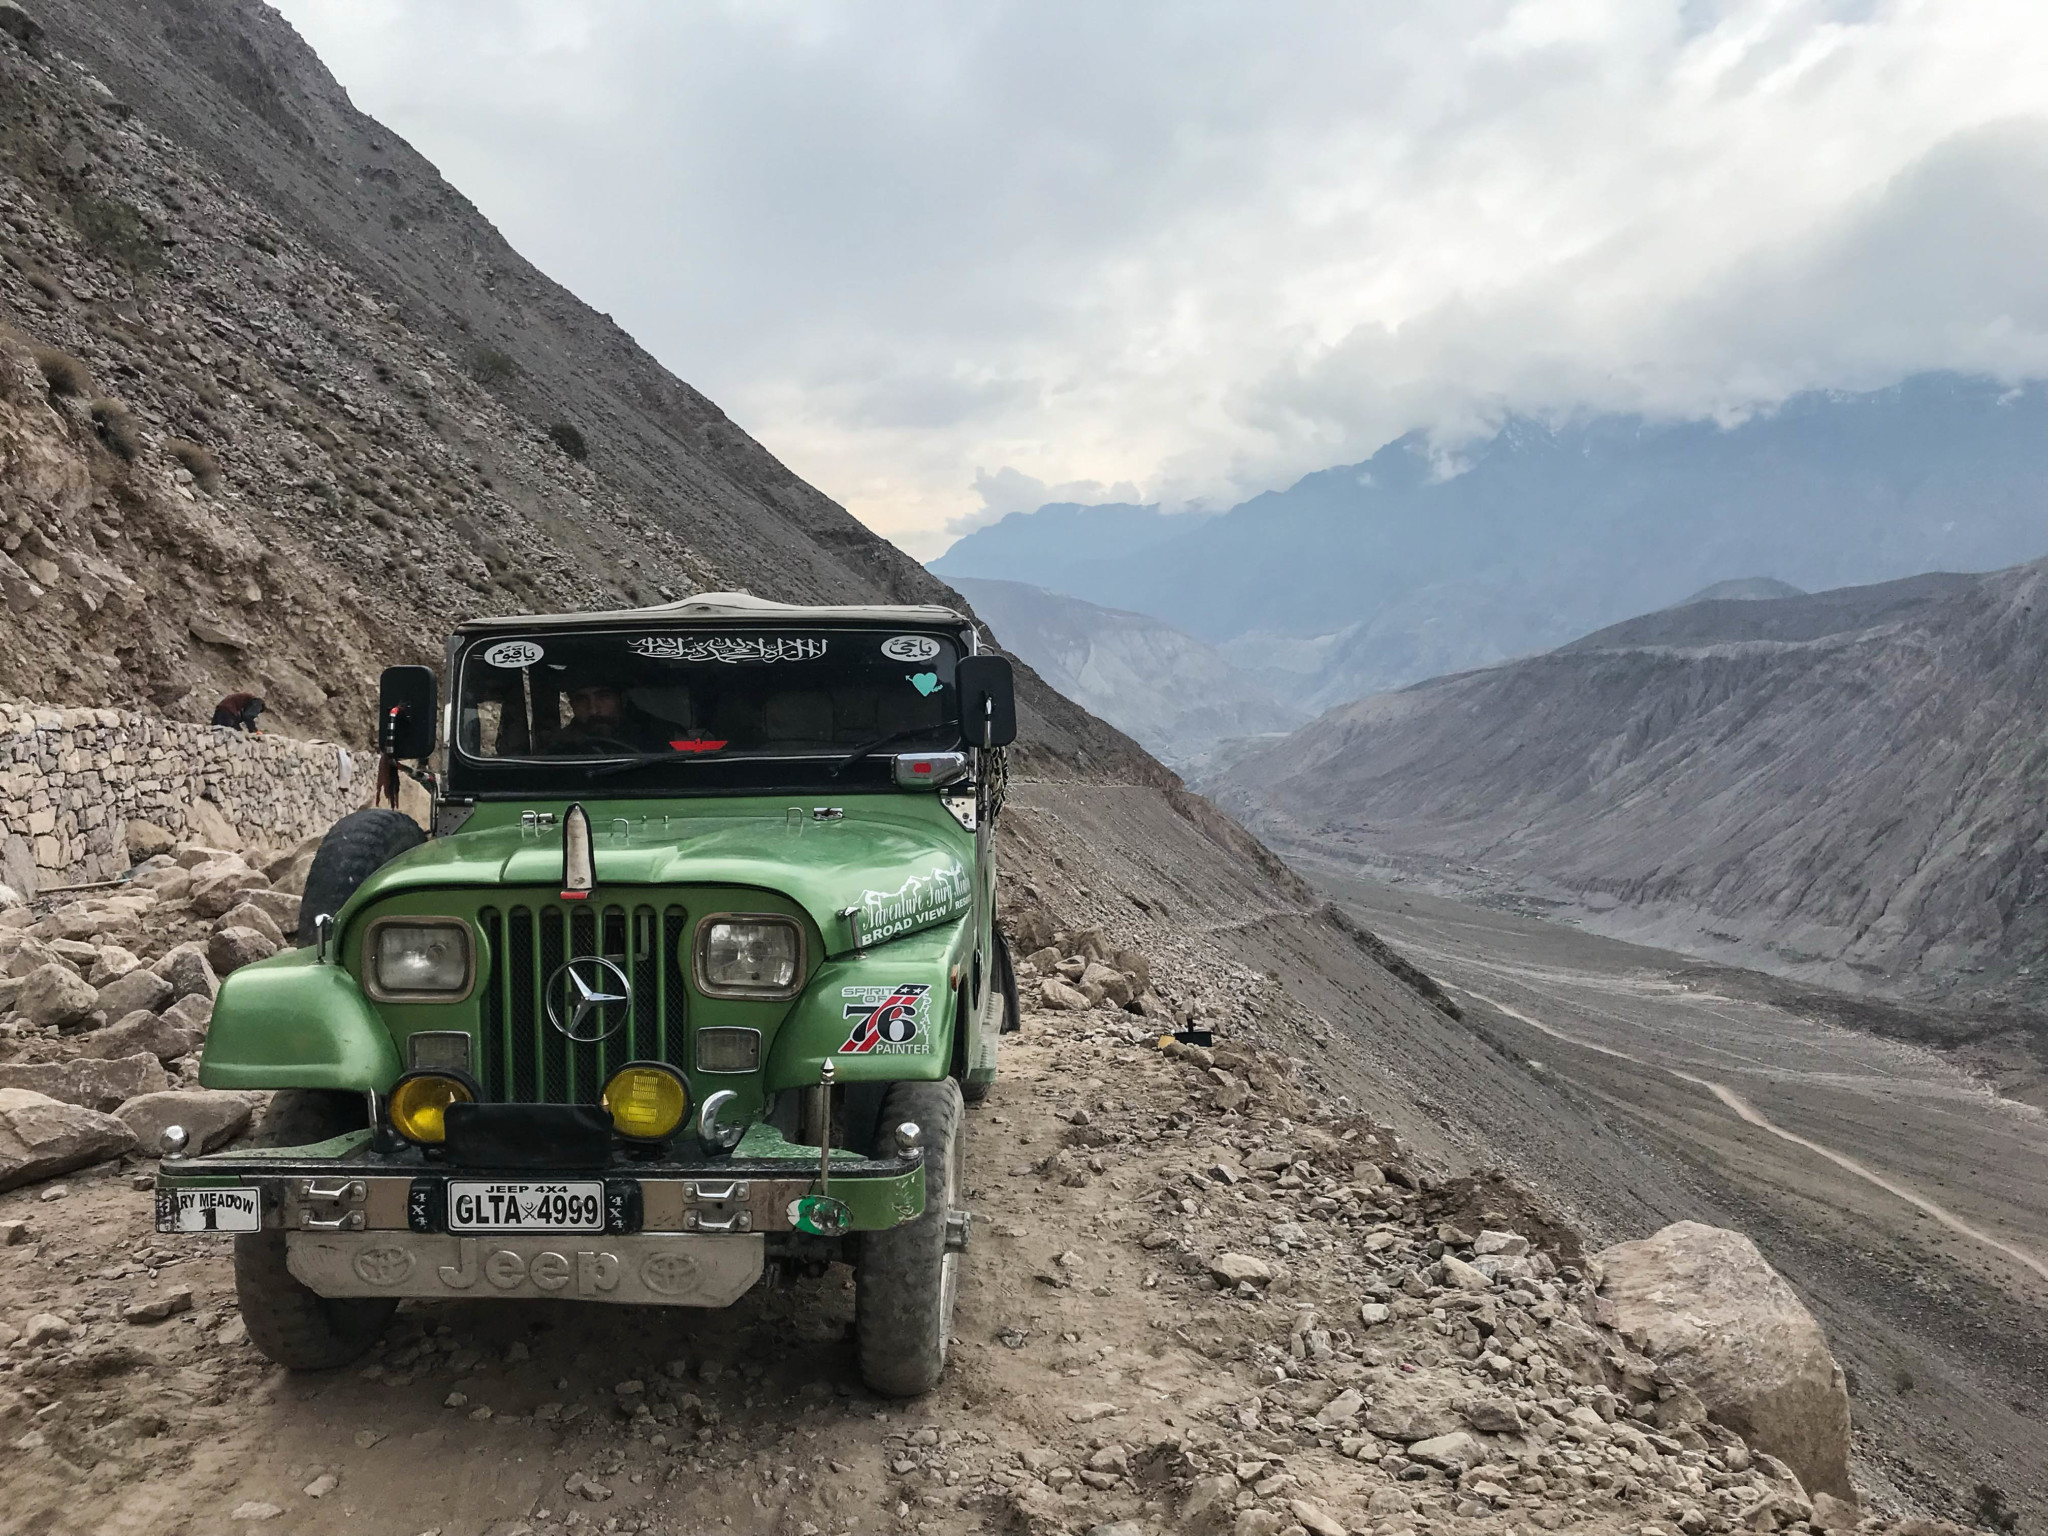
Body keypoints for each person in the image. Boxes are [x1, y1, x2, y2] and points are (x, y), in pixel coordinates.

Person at [548, 683, 632, 752]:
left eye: (603, 696)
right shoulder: (560, 746)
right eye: (581, 700)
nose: (593, 710)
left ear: (622, 700)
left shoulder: (643, 741)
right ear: (572, 705)